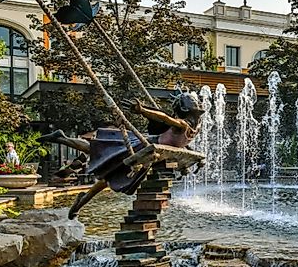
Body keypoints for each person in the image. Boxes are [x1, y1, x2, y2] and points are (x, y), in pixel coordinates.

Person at [39, 90, 203, 219]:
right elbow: (165, 118)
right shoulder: (182, 125)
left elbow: (178, 143)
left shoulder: (192, 129)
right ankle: (62, 138)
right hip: (141, 145)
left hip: (151, 154)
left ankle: (80, 203)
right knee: (97, 150)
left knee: (108, 178)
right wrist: (142, 110)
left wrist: (189, 162)